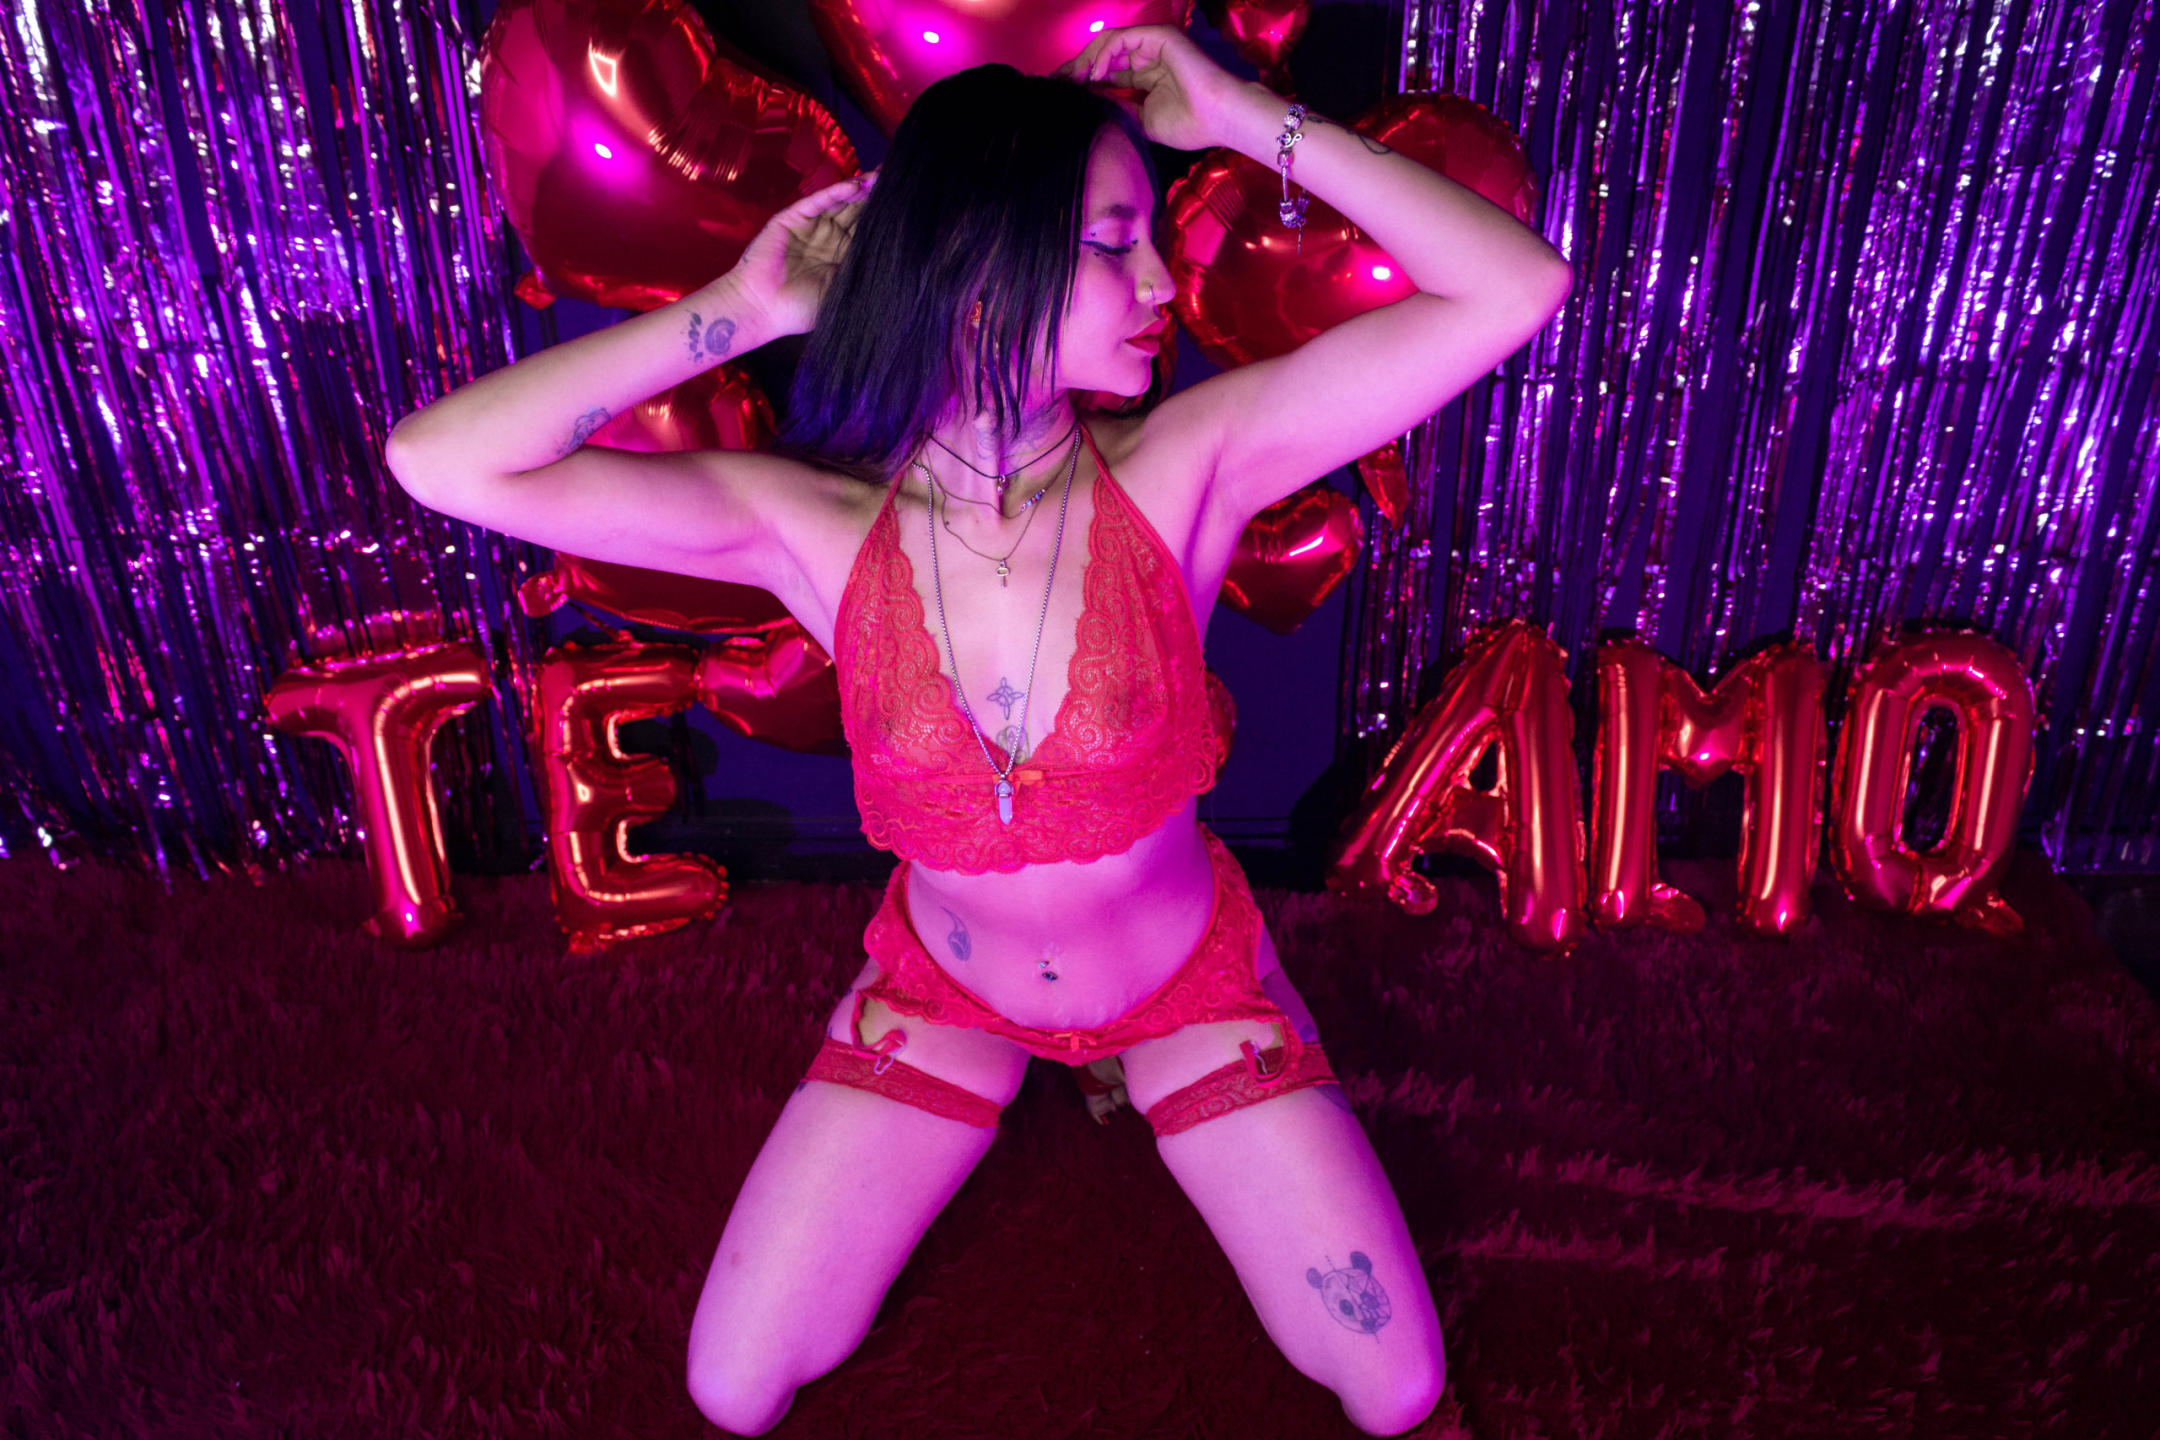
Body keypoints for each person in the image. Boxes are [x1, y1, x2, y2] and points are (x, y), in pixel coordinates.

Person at [387, 25, 1569, 1436]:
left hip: (1189, 992)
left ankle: (1158, 1062)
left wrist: (1241, 112)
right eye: (1113, 244)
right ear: (977, 266)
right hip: (945, 998)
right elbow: (440, 462)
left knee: (1396, 1387)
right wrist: (742, 311)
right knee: (732, 1387)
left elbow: (1517, 286)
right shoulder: (808, 525)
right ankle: (1021, 1070)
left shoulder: (1190, 468)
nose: (1161, 284)